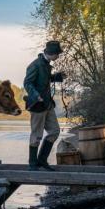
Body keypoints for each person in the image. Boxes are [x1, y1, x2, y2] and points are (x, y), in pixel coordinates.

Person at [24, 40, 65, 171]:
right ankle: (32, 163)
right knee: (36, 135)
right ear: (51, 53)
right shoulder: (35, 65)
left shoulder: (46, 64)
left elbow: (45, 78)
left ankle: (42, 160)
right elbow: (27, 83)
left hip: (48, 104)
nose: (58, 56)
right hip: (37, 104)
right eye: (57, 54)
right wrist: (36, 95)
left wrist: (56, 77)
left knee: (54, 131)